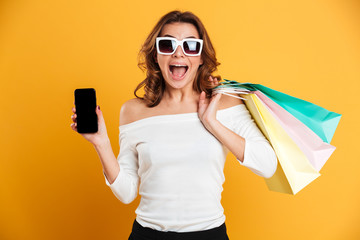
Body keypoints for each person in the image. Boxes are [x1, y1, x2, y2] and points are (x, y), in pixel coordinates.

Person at [70, 10, 277, 240]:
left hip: (209, 235)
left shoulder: (224, 103)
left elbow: (267, 165)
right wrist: (101, 143)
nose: (179, 53)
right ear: (156, 56)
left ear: (201, 58)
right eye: (167, 45)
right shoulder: (133, 111)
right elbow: (127, 193)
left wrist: (211, 122)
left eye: (190, 46)